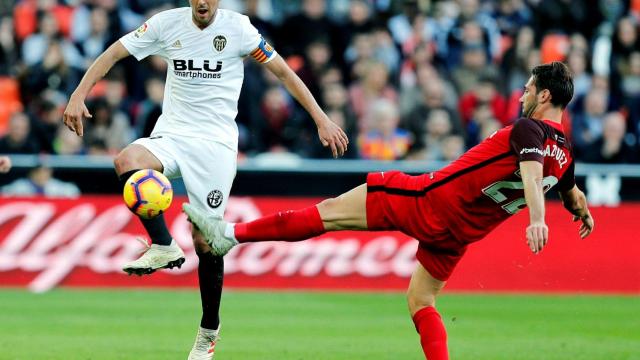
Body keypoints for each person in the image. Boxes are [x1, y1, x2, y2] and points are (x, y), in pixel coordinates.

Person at [183, 62, 595, 360]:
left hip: (430, 200)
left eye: (527, 89)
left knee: (329, 212)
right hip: (459, 234)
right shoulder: (566, 155)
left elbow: (528, 171)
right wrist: (583, 213)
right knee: (421, 300)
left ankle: (229, 235)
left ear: (544, 95)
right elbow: (571, 192)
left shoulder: (529, 131)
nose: (521, 95)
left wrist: (537, 219)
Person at [62, 1, 348, 359]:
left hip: (215, 147)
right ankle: (163, 244)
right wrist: (78, 94)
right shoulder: (166, 24)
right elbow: (113, 53)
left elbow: (285, 74)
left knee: (206, 243)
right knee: (127, 160)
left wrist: (321, 118)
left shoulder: (240, 29)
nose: (202, 2)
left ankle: (208, 332)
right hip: (173, 134)